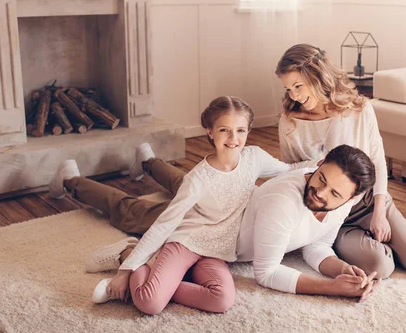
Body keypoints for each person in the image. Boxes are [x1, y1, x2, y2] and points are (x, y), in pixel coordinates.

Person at [48, 96, 313, 314]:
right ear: (209, 131)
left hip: (217, 251)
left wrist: (325, 162)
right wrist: (125, 272)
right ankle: (131, 258)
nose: (233, 138)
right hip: (186, 241)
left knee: (221, 300)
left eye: (241, 130)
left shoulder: (254, 158)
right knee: (149, 303)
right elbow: (165, 224)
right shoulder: (197, 178)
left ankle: (158, 272)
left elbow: (289, 169)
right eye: (224, 130)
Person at [274, 44, 406, 279]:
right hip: (331, 217)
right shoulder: (289, 121)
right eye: (289, 88)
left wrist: (380, 213)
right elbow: (289, 173)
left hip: (367, 203)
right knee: (382, 267)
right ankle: (388, 245)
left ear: (318, 77)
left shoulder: (358, 109)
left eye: (298, 86)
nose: (294, 95)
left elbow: (377, 161)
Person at [235, 144, 381, 299]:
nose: (320, 193)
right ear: (320, 163)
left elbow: (317, 246)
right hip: (222, 248)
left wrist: (345, 271)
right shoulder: (282, 200)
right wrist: (333, 288)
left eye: (334, 193)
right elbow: (266, 273)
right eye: (322, 179)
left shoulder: (344, 204)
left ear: (351, 199)